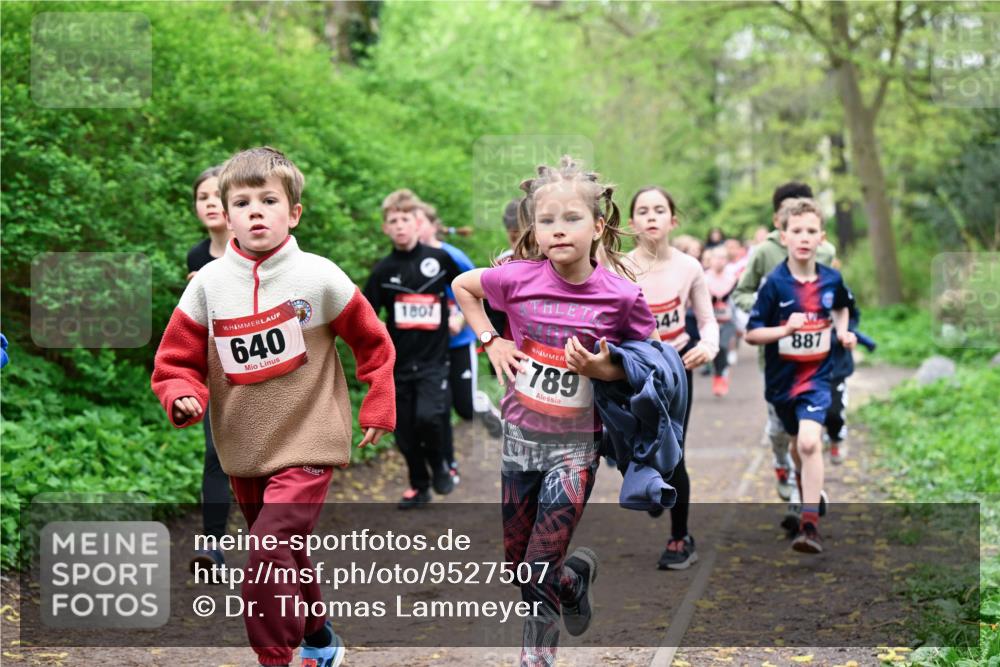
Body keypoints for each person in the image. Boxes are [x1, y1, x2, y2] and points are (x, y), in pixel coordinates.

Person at [151, 146, 396, 667]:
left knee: (264, 553)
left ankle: (274, 659)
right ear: (225, 213)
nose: (255, 211)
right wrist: (182, 394)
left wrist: (378, 403)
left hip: (310, 438)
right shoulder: (208, 287)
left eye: (268, 200)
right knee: (286, 551)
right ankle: (321, 638)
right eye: (242, 202)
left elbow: (373, 342)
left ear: (294, 212)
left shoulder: (321, 277)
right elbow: (172, 362)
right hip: (243, 446)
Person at [453, 156, 658, 667]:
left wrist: (602, 367)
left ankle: (535, 660)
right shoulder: (515, 279)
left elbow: (647, 364)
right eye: (546, 221)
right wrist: (492, 340)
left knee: (539, 563)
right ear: (532, 229)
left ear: (599, 227)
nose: (558, 230)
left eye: (571, 219)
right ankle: (574, 581)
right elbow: (463, 287)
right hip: (520, 439)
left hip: (576, 446)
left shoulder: (621, 295)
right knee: (518, 566)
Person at [745, 197, 856, 554]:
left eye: (811, 231)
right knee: (797, 445)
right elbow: (752, 333)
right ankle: (800, 481)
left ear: (821, 238)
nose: (804, 237)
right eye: (797, 231)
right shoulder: (775, 284)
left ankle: (810, 526)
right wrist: (783, 330)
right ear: (784, 235)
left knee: (810, 443)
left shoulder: (832, 279)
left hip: (818, 378)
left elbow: (841, 306)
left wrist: (842, 332)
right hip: (782, 383)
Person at [623, 186, 719, 571]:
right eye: (642, 210)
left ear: (672, 220)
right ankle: (651, 482)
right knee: (632, 450)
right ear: (631, 223)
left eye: (659, 210)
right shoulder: (619, 267)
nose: (651, 216)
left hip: (677, 369)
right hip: (631, 371)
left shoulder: (689, 267)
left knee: (675, 452)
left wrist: (709, 345)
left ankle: (680, 539)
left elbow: (708, 319)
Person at [733, 182, 837, 502]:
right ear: (779, 219)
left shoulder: (826, 252)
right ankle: (781, 463)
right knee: (780, 428)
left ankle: (803, 497)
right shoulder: (764, 253)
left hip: (815, 354)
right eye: (790, 213)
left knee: (809, 431)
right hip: (776, 354)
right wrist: (771, 313)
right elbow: (741, 293)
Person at [364, 189, 462, 508]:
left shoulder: (438, 259)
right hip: (399, 365)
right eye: (394, 221)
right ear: (386, 228)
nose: (400, 226)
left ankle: (440, 467)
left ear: (417, 223)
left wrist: (460, 316)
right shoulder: (382, 271)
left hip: (435, 360)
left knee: (429, 418)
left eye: (405, 219)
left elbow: (470, 288)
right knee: (404, 432)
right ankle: (419, 486)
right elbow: (365, 317)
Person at [184, 165, 235, 576]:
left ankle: (277, 548)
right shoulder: (197, 257)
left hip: (267, 371)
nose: (211, 203)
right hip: (217, 371)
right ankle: (213, 549)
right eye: (203, 197)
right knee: (215, 456)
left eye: (218, 195)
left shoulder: (259, 247)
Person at [704, 246, 738, 396]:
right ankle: (719, 374)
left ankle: (720, 375)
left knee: (723, 346)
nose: (720, 261)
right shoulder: (703, 278)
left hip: (728, 320)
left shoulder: (733, 278)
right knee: (716, 349)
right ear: (710, 260)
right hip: (711, 322)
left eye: (723, 257)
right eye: (717, 257)